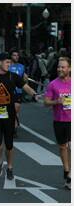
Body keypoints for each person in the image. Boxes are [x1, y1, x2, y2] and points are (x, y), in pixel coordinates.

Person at [0, 52, 40, 180]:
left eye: (10, 62)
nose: (9, 64)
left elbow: (25, 87)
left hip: (9, 113)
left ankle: (10, 167)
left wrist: (34, 95)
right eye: (7, 62)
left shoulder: (13, 76)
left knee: (9, 143)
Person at [44, 57, 71, 190]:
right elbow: (46, 102)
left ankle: (71, 175)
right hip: (59, 120)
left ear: (69, 69)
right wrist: (56, 102)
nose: (60, 69)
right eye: (59, 67)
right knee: (63, 147)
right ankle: (66, 171)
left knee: (71, 146)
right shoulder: (53, 84)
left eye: (63, 67)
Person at [9, 49, 27, 137]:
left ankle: (14, 129)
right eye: (14, 55)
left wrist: (25, 79)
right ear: (11, 56)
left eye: (17, 55)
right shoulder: (7, 65)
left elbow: (23, 78)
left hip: (18, 91)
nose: (16, 57)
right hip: (8, 91)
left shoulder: (21, 66)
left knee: (16, 109)